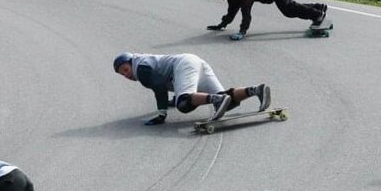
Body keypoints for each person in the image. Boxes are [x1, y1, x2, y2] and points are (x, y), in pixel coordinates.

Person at [113, 52, 271, 124]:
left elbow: (159, 86)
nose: (126, 75)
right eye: (122, 75)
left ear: (130, 62)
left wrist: (161, 114)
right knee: (227, 102)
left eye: (125, 70)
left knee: (183, 103)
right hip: (194, 62)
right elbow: (166, 79)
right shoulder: (142, 61)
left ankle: (217, 99)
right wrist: (171, 100)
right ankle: (256, 90)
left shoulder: (141, 69)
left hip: (183, 66)